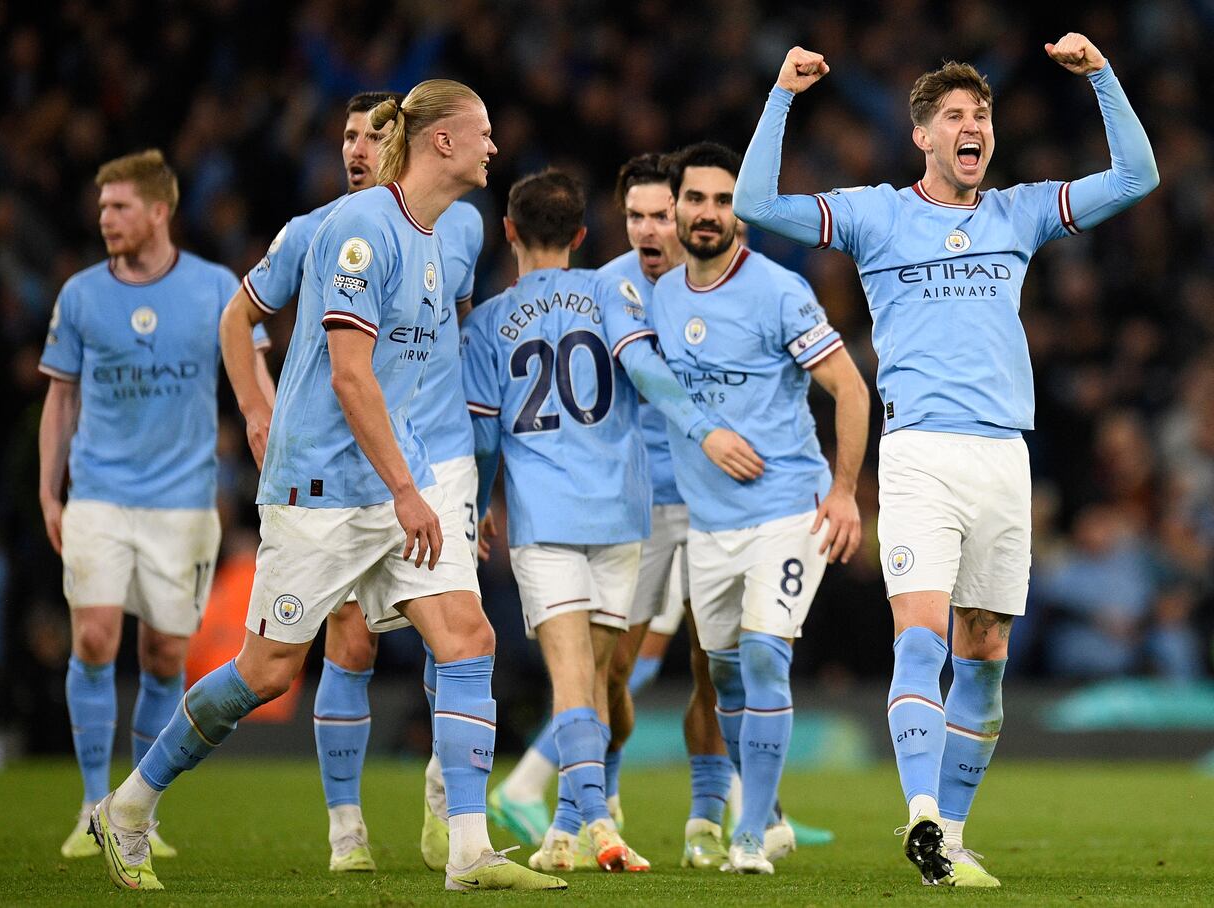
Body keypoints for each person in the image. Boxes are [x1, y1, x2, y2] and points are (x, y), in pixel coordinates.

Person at [87, 80, 565, 893]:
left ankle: (467, 851)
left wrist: (434, 478)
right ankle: (129, 806)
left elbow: (419, 371)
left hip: (398, 480)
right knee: (267, 671)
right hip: (322, 487)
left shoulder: (439, 232)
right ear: (442, 141)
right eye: (482, 131)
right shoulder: (356, 230)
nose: (494, 146)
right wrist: (400, 486)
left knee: (467, 637)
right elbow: (350, 377)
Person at [733, 34, 1158, 886]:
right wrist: (782, 94)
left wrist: (1104, 75)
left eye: (984, 115)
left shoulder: (1020, 212)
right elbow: (755, 203)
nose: (975, 126)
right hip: (920, 453)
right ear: (923, 135)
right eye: (957, 115)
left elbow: (1135, 178)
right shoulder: (876, 214)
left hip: (1003, 456)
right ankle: (922, 811)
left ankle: (951, 839)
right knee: (921, 636)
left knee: (986, 652)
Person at [461, 168, 762, 873]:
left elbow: (481, 438)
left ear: (508, 231)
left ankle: (593, 818)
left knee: (578, 680)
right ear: (581, 235)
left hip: (545, 516)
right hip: (623, 513)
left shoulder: (485, 324)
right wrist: (704, 428)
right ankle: (571, 828)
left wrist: (476, 505)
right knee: (598, 677)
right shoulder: (612, 293)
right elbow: (648, 371)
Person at [220, 90, 484, 873]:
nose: (357, 149)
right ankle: (347, 830)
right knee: (349, 637)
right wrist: (258, 409)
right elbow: (239, 319)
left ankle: (450, 804)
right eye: (347, 136)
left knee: (459, 633)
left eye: (374, 134)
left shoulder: (458, 226)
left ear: (411, 141)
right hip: (348, 465)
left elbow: (450, 337)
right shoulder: (320, 230)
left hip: (437, 456)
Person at [38, 149, 272, 862]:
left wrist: (272, 447)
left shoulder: (215, 288)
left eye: (119, 206)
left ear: (159, 210)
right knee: (94, 638)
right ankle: (91, 806)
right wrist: (50, 489)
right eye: (102, 207)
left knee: (166, 653)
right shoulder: (81, 294)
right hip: (99, 494)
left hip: (185, 501)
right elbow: (61, 398)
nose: (105, 218)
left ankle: (138, 809)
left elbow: (254, 377)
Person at [650, 142, 868, 874]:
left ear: (739, 215)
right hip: (710, 522)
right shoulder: (664, 297)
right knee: (724, 676)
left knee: (767, 655)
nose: (709, 213)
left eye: (723, 201)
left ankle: (746, 837)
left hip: (786, 509)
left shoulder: (779, 291)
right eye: (696, 199)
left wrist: (843, 492)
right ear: (676, 207)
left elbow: (851, 389)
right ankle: (768, 814)